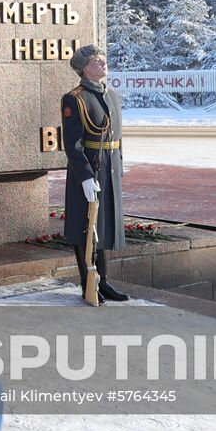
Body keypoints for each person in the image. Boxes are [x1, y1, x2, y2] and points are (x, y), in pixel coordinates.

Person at [61, 44, 130, 303]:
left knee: (102, 226)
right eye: (96, 60)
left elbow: (118, 137)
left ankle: (104, 282)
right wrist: (86, 177)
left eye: (103, 58)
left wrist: (119, 166)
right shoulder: (75, 98)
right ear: (83, 69)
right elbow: (73, 144)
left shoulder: (110, 95)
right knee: (84, 227)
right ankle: (88, 283)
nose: (103, 62)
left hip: (109, 167)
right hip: (89, 169)